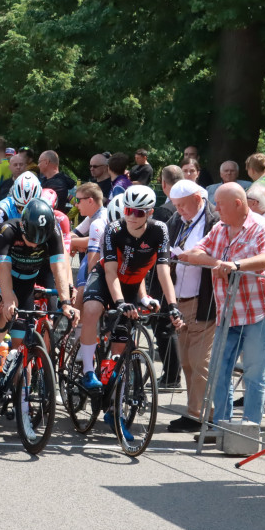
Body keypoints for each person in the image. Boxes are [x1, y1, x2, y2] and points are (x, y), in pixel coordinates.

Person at [78, 185, 184, 437]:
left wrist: (173, 306)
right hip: (106, 279)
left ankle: (113, 409)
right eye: (128, 210)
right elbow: (111, 272)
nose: (132, 216)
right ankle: (87, 371)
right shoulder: (113, 229)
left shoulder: (160, 230)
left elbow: (163, 271)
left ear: (149, 212)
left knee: (120, 350)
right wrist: (119, 302)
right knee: (91, 309)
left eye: (138, 212)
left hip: (133, 283)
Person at [178, 183, 265, 430]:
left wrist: (236, 265)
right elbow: (194, 252)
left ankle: (249, 429)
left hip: (257, 311)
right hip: (228, 312)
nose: (216, 209)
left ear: (237, 203)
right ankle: (221, 427)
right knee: (218, 371)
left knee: (254, 375)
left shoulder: (264, 227)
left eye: (220, 204)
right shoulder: (220, 227)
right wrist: (222, 263)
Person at [0, 199, 78, 383]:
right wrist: (7, 298)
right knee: (5, 314)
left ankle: (21, 398)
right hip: (5, 276)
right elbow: (3, 269)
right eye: (30, 240)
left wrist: (66, 303)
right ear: (23, 226)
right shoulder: (8, 230)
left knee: (20, 344)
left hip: (28, 281)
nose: (34, 245)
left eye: (40, 242)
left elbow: (59, 269)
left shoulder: (53, 233)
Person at [162, 180, 221, 432]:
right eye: (176, 206)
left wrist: (195, 258)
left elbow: (221, 259)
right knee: (186, 360)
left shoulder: (214, 221)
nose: (179, 211)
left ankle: (203, 415)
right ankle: (194, 411)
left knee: (200, 361)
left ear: (198, 198)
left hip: (204, 300)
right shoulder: (176, 220)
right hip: (179, 300)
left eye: (183, 205)